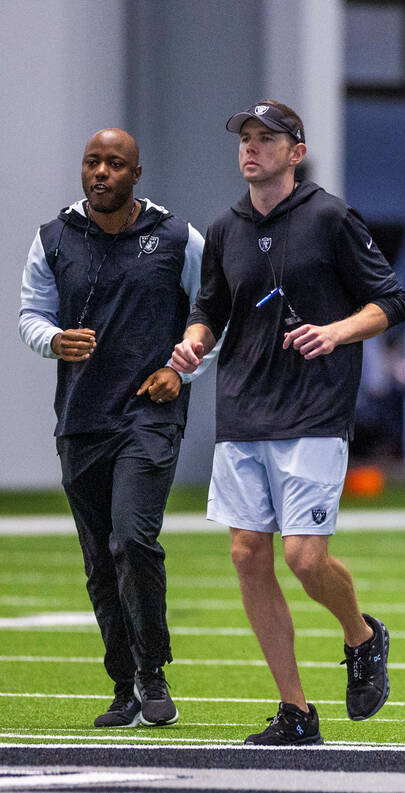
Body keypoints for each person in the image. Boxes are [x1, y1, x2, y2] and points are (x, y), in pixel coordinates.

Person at [171, 101, 405, 745]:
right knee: (248, 554)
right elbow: (209, 308)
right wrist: (194, 341)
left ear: (295, 152)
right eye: (245, 138)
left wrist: (337, 331)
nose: (251, 149)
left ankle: (361, 634)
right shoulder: (224, 228)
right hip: (242, 408)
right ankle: (296, 711)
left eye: (265, 139)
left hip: (314, 409)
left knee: (305, 561)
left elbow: (391, 300)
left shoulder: (331, 216)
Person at [19, 128, 210, 728]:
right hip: (80, 420)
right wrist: (53, 340)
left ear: (137, 173)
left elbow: (213, 316)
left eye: (115, 163)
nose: (101, 172)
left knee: (131, 539)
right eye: (92, 162)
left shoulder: (178, 237)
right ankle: (123, 684)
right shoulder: (53, 239)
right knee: (99, 560)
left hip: (149, 417)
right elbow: (30, 313)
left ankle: (153, 671)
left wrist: (181, 373)